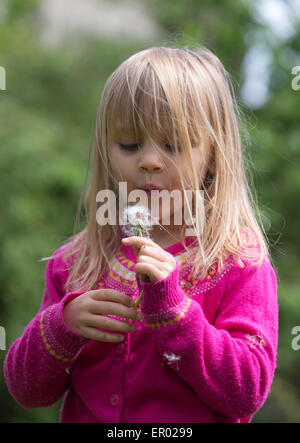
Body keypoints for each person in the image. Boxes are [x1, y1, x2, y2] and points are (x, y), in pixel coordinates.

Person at [4, 46, 278, 423]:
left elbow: (246, 390)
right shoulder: (76, 263)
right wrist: (62, 325)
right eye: (130, 145)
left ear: (213, 155)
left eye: (173, 145)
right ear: (105, 150)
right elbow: (26, 389)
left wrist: (175, 313)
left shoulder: (236, 261)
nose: (149, 160)